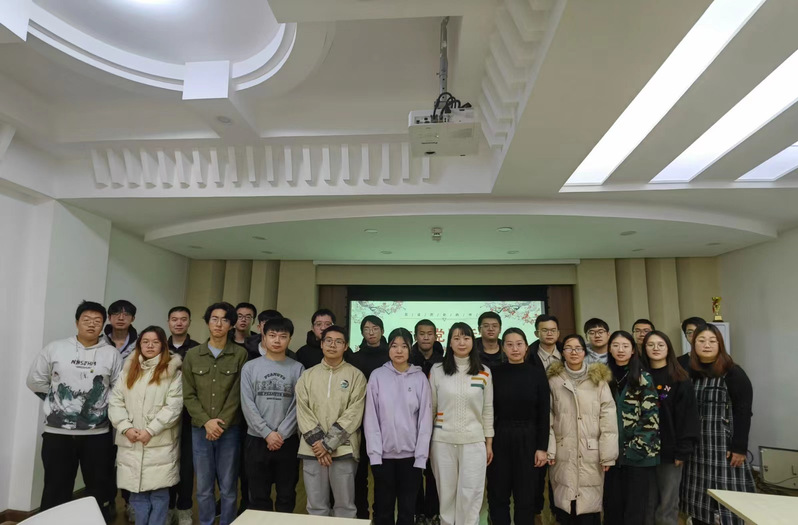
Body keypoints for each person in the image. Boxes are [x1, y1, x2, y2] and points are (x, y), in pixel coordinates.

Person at [26, 301, 123, 520]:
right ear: (77, 322)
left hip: (97, 434)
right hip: (58, 433)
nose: (91, 324)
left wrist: (99, 405)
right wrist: (57, 400)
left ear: (103, 325)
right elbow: (35, 380)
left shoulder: (111, 354)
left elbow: (119, 389)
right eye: (86, 320)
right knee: (55, 488)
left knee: (98, 488)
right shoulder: (55, 348)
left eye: (97, 321)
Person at [108, 326, 183, 525]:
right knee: (137, 494)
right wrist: (125, 427)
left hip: (159, 441)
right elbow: (115, 402)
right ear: (139, 344)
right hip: (131, 440)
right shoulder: (128, 370)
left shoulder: (172, 372)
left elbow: (174, 407)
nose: (150, 346)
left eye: (155, 342)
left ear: (163, 345)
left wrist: (150, 430)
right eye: (145, 342)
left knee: (159, 493)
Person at [680, 324, 754, 525]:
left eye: (712, 341)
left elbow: (743, 412)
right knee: (698, 499)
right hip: (695, 447)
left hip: (723, 447)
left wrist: (739, 447)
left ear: (720, 344)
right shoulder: (687, 372)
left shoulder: (734, 373)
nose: (707, 345)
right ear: (693, 344)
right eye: (701, 341)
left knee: (728, 501)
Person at [182, 302, 248, 525]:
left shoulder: (240, 354)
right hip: (200, 430)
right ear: (207, 322)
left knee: (228, 487)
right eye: (214, 319)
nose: (219, 324)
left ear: (231, 325)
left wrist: (219, 424)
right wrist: (206, 422)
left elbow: (238, 393)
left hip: (229, 430)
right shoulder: (193, 355)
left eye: (225, 320)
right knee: (203, 487)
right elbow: (188, 394)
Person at [296, 325, 367, 518]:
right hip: (312, 449)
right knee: (316, 506)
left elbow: (354, 413)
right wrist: (319, 444)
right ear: (321, 344)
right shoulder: (307, 376)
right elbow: (302, 411)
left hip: (343, 449)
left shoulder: (356, 376)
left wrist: (328, 444)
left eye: (338, 341)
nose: (333, 345)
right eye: (328, 340)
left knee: (345, 506)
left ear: (346, 346)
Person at [546, 334, 617, 525]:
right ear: (562, 353)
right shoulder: (553, 380)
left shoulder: (598, 380)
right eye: (569, 348)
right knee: (565, 503)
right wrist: (550, 449)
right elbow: (548, 417)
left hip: (591, 451)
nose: (574, 352)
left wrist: (608, 454)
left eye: (578, 348)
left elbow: (608, 418)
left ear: (585, 352)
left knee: (589, 506)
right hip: (563, 450)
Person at [364, 328, 432, 525]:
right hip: (383, 457)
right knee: (383, 511)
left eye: (404, 346)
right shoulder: (377, 376)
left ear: (411, 349)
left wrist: (421, 457)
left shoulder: (420, 378)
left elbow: (425, 419)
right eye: (394, 346)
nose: (399, 350)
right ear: (389, 348)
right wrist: (375, 455)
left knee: (407, 511)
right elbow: (371, 418)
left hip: (411, 458)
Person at [429, 322, 494, 525]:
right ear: (449, 343)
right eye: (456, 338)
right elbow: (431, 408)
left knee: (471, 494)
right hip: (442, 441)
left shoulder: (484, 372)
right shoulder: (437, 370)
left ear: (473, 342)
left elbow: (487, 409)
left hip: (474, 442)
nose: (461, 342)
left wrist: (488, 443)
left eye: (466, 338)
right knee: (446, 493)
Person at [240, 317, 305, 513]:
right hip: (257, 439)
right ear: (264, 337)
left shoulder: (297, 368)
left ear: (290, 339)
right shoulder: (250, 367)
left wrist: (281, 433)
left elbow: (298, 405)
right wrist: (267, 433)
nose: (277, 340)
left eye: (283, 336)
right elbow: (247, 404)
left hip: (287, 440)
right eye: (272, 335)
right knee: (258, 496)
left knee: (286, 495)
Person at [487, 328, 549, 525]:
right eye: (510, 344)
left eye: (519, 344)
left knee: (526, 495)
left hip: (529, 437)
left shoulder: (537, 374)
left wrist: (542, 447)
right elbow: (487, 410)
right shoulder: (493, 373)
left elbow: (544, 413)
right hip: (500, 435)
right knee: (498, 493)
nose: (515, 348)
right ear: (503, 348)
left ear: (526, 347)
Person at [641, 331, 699, 525]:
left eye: (660, 344)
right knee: (646, 502)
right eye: (651, 345)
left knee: (668, 502)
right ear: (644, 349)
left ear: (668, 349)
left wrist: (683, 449)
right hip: (642, 451)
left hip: (670, 450)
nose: (655, 348)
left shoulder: (680, 378)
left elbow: (688, 417)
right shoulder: (639, 376)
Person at [603, 331, 660, 525]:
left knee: (635, 510)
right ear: (609, 349)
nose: (620, 350)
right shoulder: (602, 377)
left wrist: (636, 449)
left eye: (625, 346)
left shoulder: (643, 377)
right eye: (616, 345)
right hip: (610, 454)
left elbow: (651, 417)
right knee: (612, 507)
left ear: (633, 350)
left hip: (638, 455)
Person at [351, 314, 391, 519]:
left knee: (382, 474)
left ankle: (380, 515)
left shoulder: (390, 357)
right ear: (362, 333)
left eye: (375, 328)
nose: (371, 332)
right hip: (358, 422)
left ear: (382, 331)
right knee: (359, 473)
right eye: (367, 329)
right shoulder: (354, 358)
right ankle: (361, 514)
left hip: (384, 423)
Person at [166, 306, 200, 525]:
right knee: (166, 461)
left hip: (189, 414)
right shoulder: (159, 346)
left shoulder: (197, 349)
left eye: (183, 319)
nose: (179, 323)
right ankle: (168, 507)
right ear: (168, 322)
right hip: (163, 414)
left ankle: (184, 507)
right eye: (174, 319)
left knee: (187, 464)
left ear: (189, 322)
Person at [527, 314, 562, 522]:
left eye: (553, 330)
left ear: (558, 333)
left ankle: (559, 511)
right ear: (536, 333)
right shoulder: (528, 355)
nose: (549, 334)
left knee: (561, 469)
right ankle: (536, 512)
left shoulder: (568, 353)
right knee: (537, 469)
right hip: (536, 419)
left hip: (563, 417)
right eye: (544, 330)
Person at [409, 319, 443, 525]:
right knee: (414, 470)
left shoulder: (443, 361)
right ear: (416, 336)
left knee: (434, 470)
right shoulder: (408, 359)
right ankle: (418, 511)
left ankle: (433, 512)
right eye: (422, 334)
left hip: (436, 421)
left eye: (430, 334)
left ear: (435, 336)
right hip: (411, 422)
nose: (426, 337)